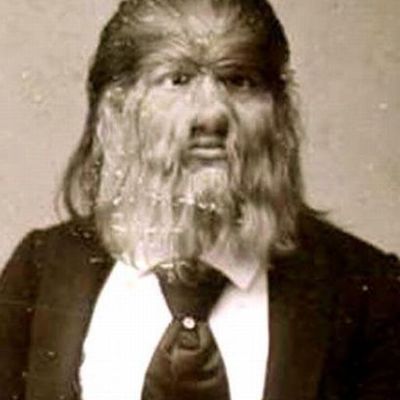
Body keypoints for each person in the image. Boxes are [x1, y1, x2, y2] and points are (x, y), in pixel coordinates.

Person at [1, 0, 399, 399]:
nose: (211, 116)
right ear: (117, 109)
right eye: (178, 80)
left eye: (239, 81)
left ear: (280, 113)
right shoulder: (39, 272)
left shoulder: (368, 290)